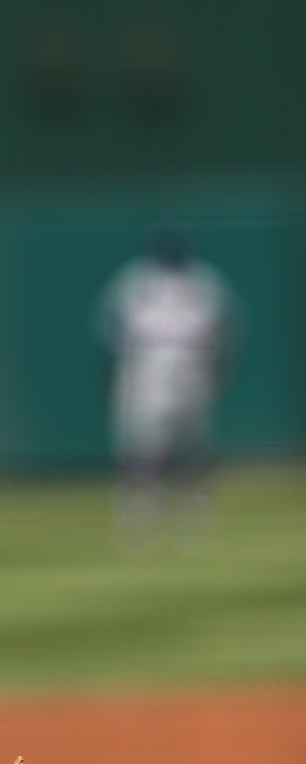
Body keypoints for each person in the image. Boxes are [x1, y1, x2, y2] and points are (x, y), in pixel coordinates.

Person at [96, 227, 236, 543]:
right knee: (145, 447)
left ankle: (185, 514)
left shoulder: (198, 282)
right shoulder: (139, 281)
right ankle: (142, 514)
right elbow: (109, 332)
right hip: (149, 366)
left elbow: (223, 334)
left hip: (181, 364)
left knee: (187, 447)